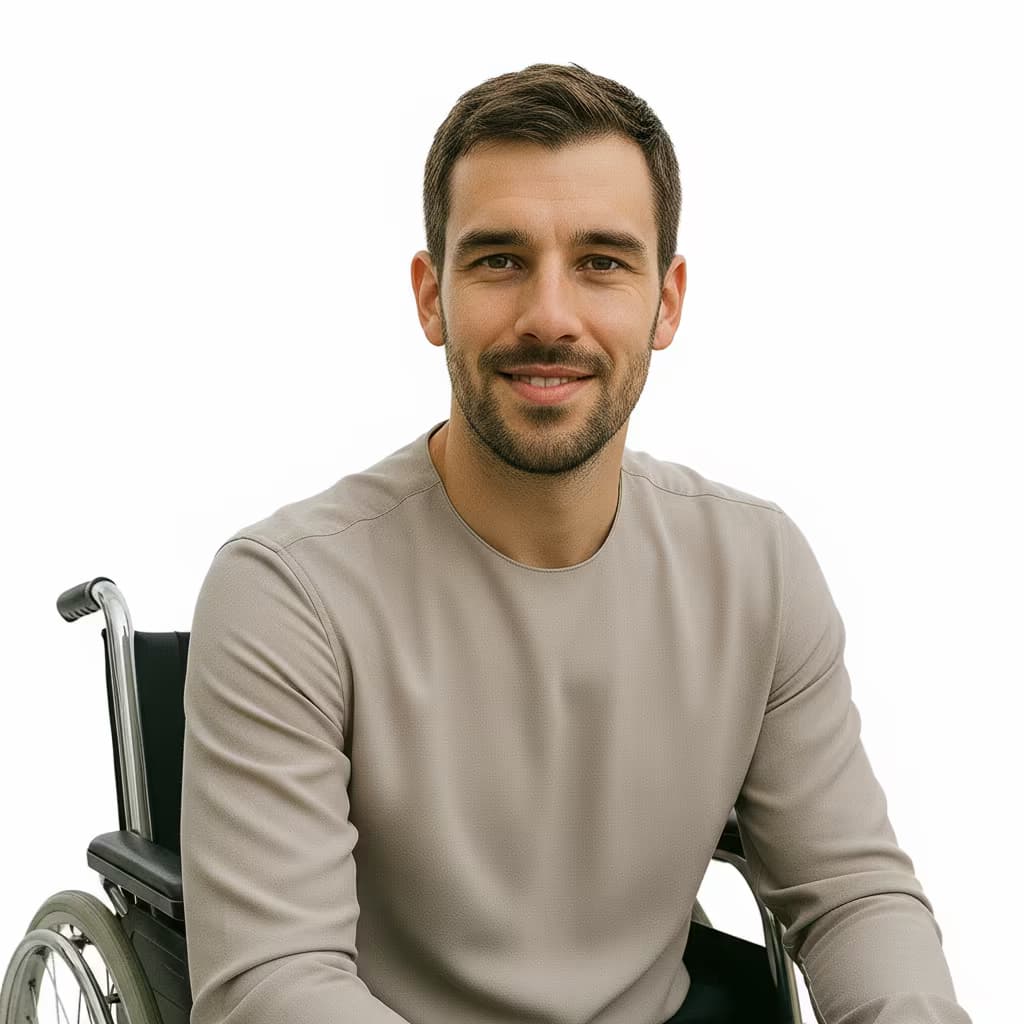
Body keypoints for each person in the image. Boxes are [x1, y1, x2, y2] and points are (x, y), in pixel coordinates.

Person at [179, 63, 972, 1024]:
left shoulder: (759, 571)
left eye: (601, 262)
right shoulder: (286, 593)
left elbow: (854, 897)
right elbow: (276, 983)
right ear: (431, 297)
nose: (549, 316)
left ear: (666, 302)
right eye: (498, 260)